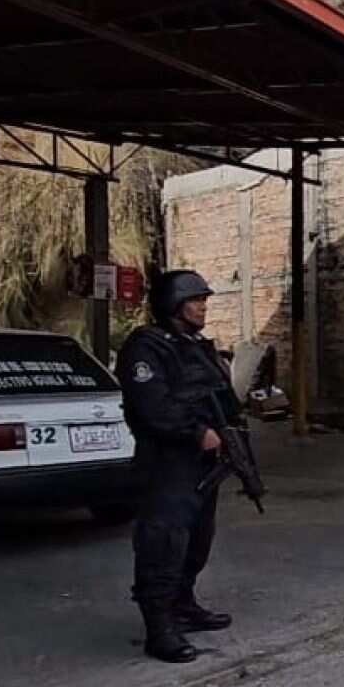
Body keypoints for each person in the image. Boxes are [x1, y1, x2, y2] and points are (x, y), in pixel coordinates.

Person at [115, 270, 241, 663]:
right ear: (173, 304)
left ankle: (183, 605)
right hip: (166, 463)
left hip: (202, 465)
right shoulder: (146, 347)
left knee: (198, 540)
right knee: (163, 544)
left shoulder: (196, 347)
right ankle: (159, 628)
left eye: (204, 300)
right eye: (195, 300)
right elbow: (153, 406)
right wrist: (196, 431)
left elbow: (218, 396)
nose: (203, 307)